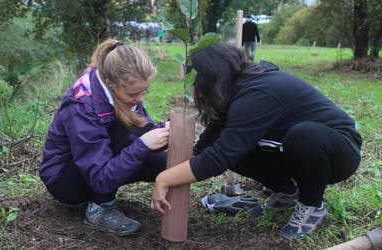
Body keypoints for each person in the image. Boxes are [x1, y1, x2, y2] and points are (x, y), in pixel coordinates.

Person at [150, 43, 362, 239]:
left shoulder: (258, 93)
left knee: (303, 137)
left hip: (338, 151)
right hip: (291, 149)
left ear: (208, 79)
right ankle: (286, 191)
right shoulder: (239, 89)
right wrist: (180, 156)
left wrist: (165, 178)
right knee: (236, 147)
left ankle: (312, 205)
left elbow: (219, 158)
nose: (196, 92)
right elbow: (214, 140)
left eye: (195, 84)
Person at [39, 39, 170, 236]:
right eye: (134, 93)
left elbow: (140, 129)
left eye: (145, 91)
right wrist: (143, 145)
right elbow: (101, 177)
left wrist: (165, 131)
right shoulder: (82, 105)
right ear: (111, 83)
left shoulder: (119, 88)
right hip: (65, 180)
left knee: (164, 162)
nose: (141, 98)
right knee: (129, 141)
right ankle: (100, 209)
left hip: (99, 159)